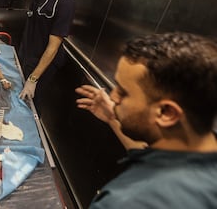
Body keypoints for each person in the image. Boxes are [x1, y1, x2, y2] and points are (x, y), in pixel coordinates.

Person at [76, 32, 217, 208]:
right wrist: (113, 118)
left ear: (167, 113)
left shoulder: (126, 201)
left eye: (123, 92)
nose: (113, 97)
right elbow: (152, 154)